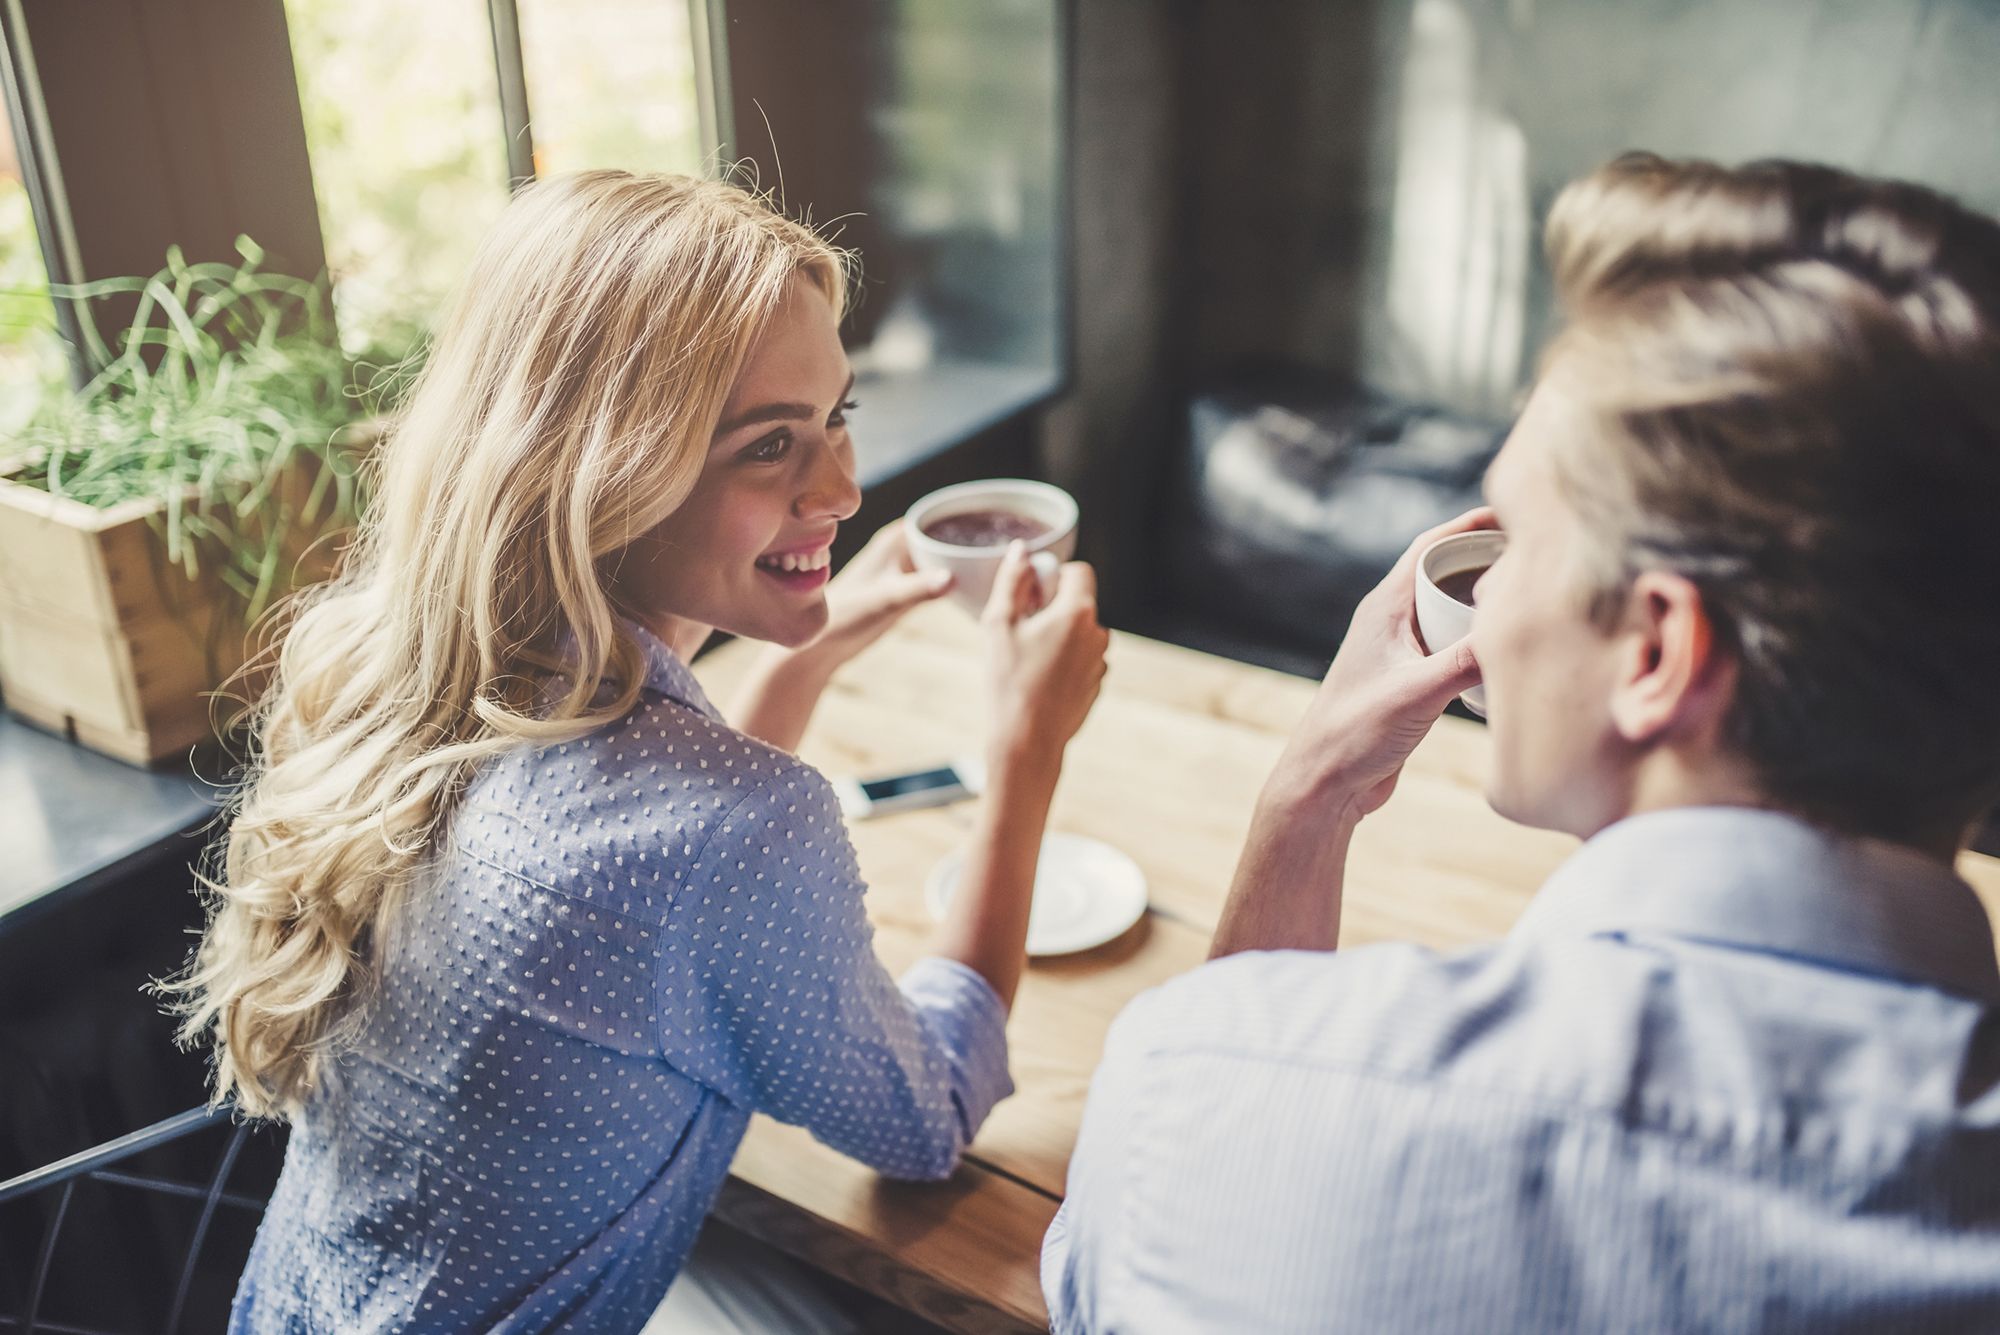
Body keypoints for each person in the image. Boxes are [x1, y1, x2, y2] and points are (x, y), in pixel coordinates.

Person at [1044, 153, 2000, 1332]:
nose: (1485, 600)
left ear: (1654, 653)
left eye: (1521, 542)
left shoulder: (1205, 1094)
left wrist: (1297, 795)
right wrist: (1315, 794)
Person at [172, 170, 1109, 1332]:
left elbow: (640, 886)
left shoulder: (385, 674)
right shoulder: (732, 829)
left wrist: (797, 664)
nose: (842, 488)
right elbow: (924, 1119)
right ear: (600, 472)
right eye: (769, 446)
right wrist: (1024, 756)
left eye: (837, 418)